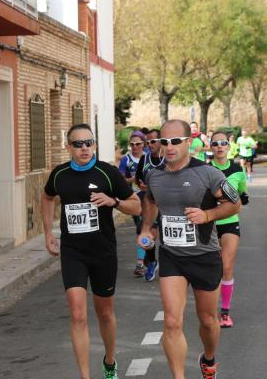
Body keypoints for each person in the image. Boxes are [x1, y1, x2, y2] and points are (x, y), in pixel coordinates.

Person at [137, 119, 241, 379]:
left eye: (175, 142)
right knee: (172, 321)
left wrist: (207, 215)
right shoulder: (155, 174)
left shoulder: (208, 173)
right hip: (172, 255)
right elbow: (149, 200)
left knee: (208, 321)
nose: (169, 147)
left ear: (188, 143)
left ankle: (208, 358)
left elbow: (234, 204)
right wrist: (147, 227)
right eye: (164, 142)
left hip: (204, 255)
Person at [42, 123, 141, 379]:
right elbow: (46, 196)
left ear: (94, 145)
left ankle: (109, 361)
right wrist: (48, 233)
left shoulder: (107, 173)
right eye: (78, 144)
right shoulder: (60, 174)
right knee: (77, 312)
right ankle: (85, 376)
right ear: (68, 147)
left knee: (105, 312)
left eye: (89, 143)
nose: (84, 148)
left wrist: (113, 201)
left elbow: (137, 206)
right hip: (73, 251)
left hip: (102, 252)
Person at [209, 132, 248, 328]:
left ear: (228, 146)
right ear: (210, 147)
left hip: (230, 221)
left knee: (226, 266)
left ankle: (224, 312)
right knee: (213, 267)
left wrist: (240, 197)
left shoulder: (237, 170)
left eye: (223, 143)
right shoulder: (205, 169)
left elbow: (241, 192)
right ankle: (210, 310)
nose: (219, 146)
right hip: (210, 222)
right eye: (215, 143)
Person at [135, 129, 165, 282]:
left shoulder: (167, 159)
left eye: (153, 141)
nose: (149, 145)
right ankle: (152, 262)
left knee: (166, 237)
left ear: (161, 141)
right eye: (147, 142)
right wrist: (141, 185)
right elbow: (138, 178)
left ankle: (169, 265)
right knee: (149, 234)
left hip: (166, 204)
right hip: (148, 203)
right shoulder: (144, 158)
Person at [118, 131, 148, 276]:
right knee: (141, 228)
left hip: (150, 198)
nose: (135, 147)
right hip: (134, 199)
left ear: (144, 144)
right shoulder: (126, 160)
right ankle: (145, 259)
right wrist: (134, 179)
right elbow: (121, 180)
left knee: (147, 229)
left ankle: (141, 262)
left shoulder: (149, 157)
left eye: (138, 144)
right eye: (132, 144)